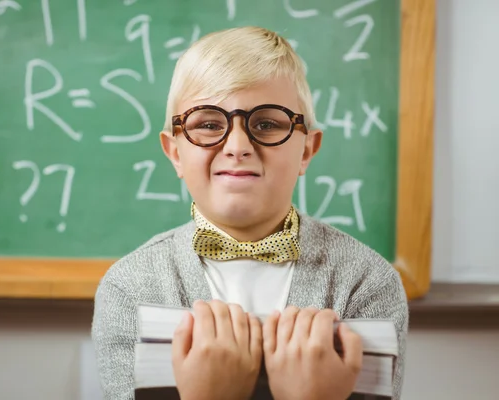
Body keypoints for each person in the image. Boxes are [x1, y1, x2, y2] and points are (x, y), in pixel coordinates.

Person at [92, 26, 408, 400]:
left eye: (266, 124)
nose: (238, 146)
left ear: (306, 150)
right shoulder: (131, 287)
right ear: (175, 152)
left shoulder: (367, 281)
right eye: (208, 124)